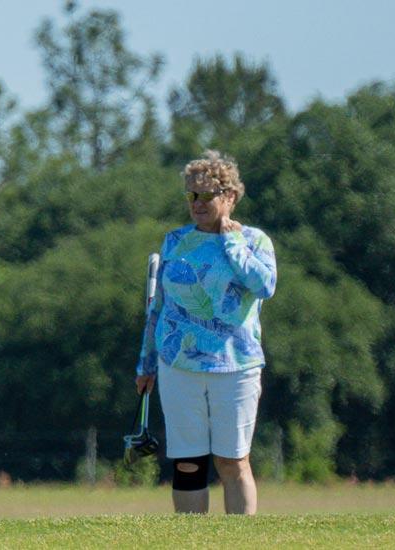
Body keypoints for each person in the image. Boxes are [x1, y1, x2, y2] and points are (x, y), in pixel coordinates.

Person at [134, 150, 278, 515]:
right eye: (191, 195)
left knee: (233, 461)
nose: (197, 203)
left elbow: (264, 286)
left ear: (229, 197)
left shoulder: (254, 241)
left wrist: (232, 244)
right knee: (187, 462)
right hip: (177, 363)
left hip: (235, 365)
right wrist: (146, 361)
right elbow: (159, 305)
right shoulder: (175, 241)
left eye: (207, 195)